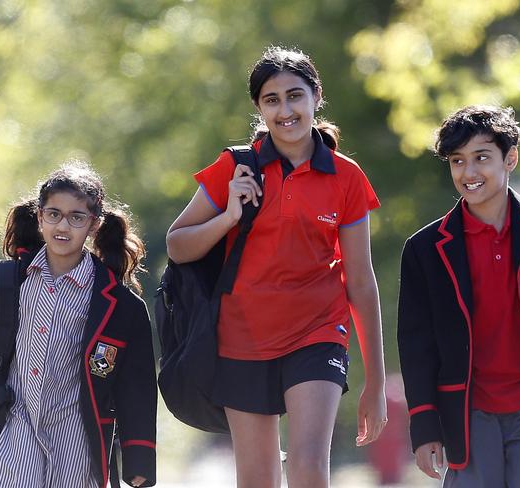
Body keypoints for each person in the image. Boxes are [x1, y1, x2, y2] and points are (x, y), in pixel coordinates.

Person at [166, 45, 387, 488]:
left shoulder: (347, 178)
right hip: (241, 337)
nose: (285, 109)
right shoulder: (235, 167)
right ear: (259, 107)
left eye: (295, 95)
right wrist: (228, 215)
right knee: (257, 480)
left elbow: (360, 281)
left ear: (315, 97)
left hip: (318, 333)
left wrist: (376, 384)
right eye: (272, 100)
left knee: (308, 469)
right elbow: (177, 245)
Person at [397, 105, 520, 487]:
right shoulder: (425, 249)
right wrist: (424, 423)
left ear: (510, 158)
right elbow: (416, 345)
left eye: (482, 158)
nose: (469, 172)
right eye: (458, 161)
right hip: (467, 411)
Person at [0, 161, 157, 488]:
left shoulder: (120, 305)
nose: (63, 226)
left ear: (94, 225)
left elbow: (136, 385)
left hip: (78, 438)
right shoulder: (11, 281)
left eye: (76, 217)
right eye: (53, 214)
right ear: (39, 217)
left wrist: (139, 459)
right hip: (16, 426)